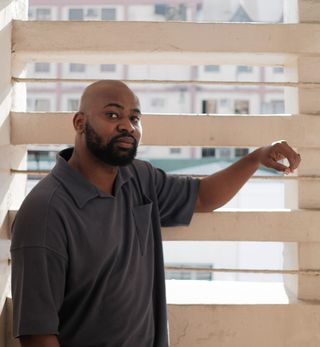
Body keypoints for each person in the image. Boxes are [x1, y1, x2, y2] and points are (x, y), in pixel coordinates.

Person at [11, 80, 301, 347]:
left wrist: (256, 157)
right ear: (79, 122)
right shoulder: (45, 213)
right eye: (112, 115)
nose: (127, 126)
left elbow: (203, 197)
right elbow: (37, 335)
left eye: (134, 118)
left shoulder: (138, 177)